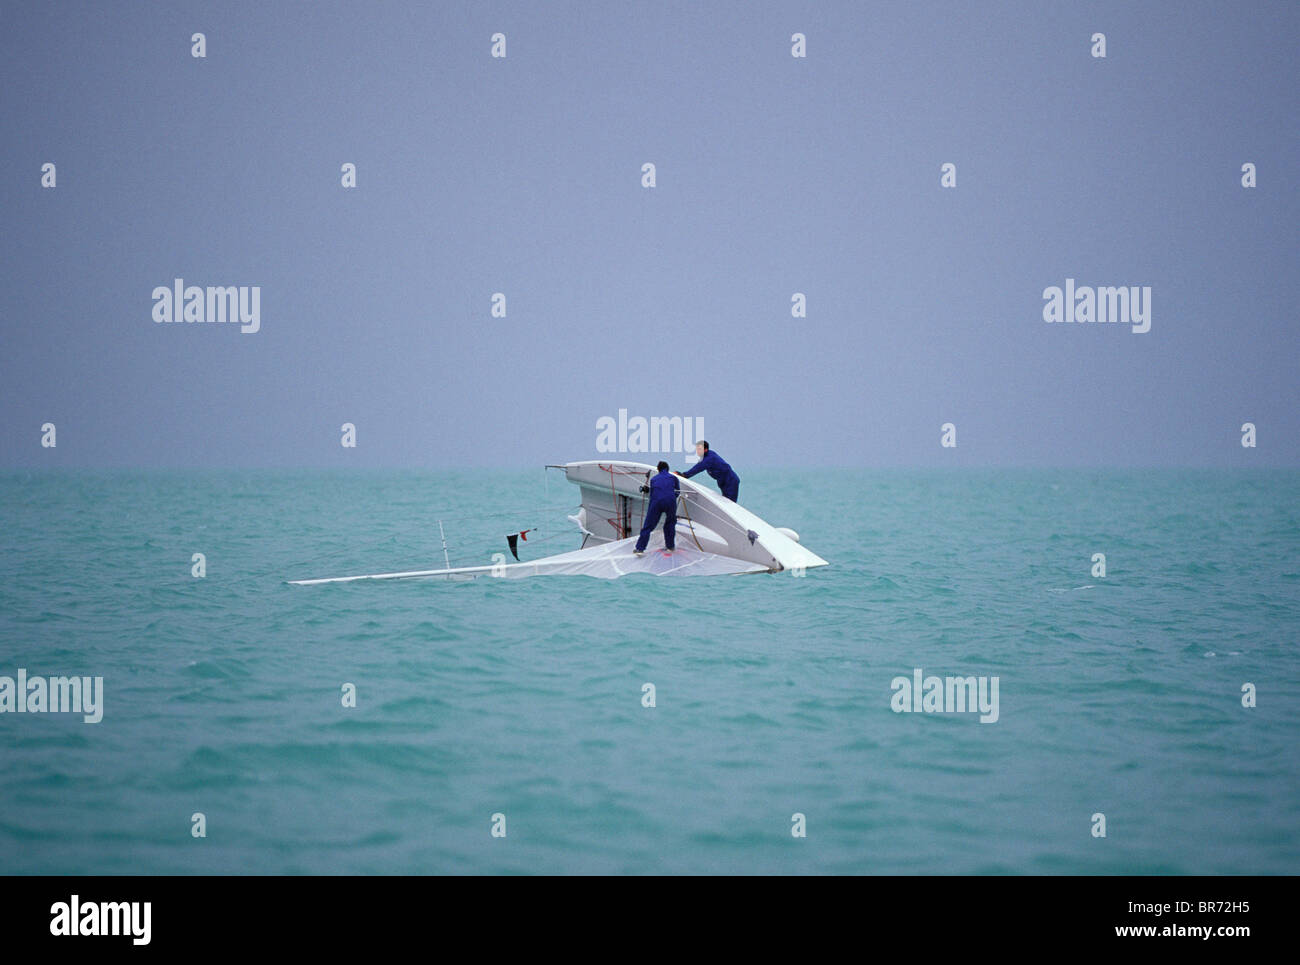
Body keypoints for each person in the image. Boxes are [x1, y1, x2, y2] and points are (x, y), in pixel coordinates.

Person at [634, 461, 678, 556]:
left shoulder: (653, 479)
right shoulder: (673, 478)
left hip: (656, 502)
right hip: (670, 502)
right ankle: (670, 547)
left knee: (648, 526)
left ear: (658, 469)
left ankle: (640, 549)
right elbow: (677, 491)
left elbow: (653, 493)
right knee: (670, 523)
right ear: (668, 469)